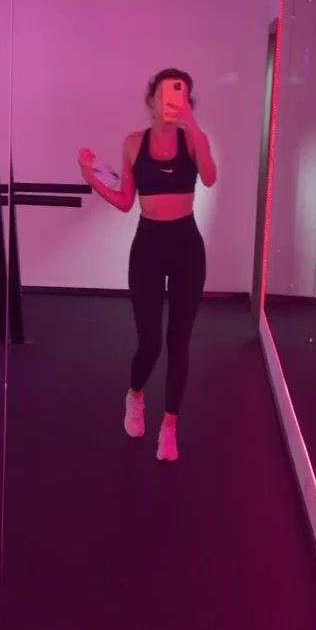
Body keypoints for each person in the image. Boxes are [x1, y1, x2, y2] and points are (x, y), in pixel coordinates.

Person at [77, 68, 217, 462]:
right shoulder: (134, 143)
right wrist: (91, 177)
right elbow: (125, 201)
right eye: (166, 94)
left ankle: (169, 426)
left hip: (187, 245)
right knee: (150, 342)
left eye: (181, 95)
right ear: (151, 99)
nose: (173, 101)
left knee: (179, 342)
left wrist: (192, 124)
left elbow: (209, 177)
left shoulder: (194, 140)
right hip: (149, 246)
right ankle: (135, 394)